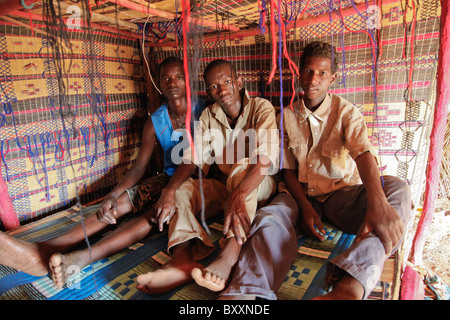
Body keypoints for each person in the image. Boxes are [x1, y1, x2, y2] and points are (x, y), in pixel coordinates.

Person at [0, 56, 205, 287]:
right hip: (167, 178)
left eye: (178, 77)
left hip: (199, 180)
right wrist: (112, 195)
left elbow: (196, 159)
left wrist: (169, 191)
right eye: (165, 78)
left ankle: (80, 257)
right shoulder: (155, 121)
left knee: (153, 214)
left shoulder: (204, 110)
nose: (172, 83)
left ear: (188, 80)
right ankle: (45, 250)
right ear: (158, 82)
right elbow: (138, 168)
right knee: (122, 203)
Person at [135, 59, 279, 295]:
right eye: (213, 87)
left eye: (226, 82)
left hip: (259, 185)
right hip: (226, 189)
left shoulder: (260, 108)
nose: (221, 91)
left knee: (243, 168)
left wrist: (239, 193)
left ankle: (229, 253)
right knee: (182, 190)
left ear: (239, 82)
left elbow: (263, 161)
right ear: (208, 91)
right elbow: (192, 157)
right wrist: (169, 190)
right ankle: (181, 258)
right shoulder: (209, 116)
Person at [279, 41, 411, 299]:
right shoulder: (286, 115)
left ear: (333, 78)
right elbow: (288, 170)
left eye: (322, 73)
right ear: (299, 73)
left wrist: (377, 202)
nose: (313, 79)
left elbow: (362, 153)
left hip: (342, 198)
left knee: (398, 189)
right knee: (272, 218)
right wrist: (305, 207)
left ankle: (351, 284)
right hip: (303, 199)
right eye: (307, 71)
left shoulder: (346, 112)